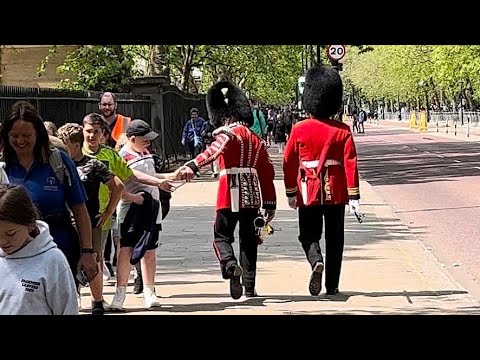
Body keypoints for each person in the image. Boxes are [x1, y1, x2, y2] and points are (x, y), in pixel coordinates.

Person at [181, 81, 276, 299]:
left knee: (221, 236)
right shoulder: (257, 140)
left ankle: (230, 264)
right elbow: (267, 173)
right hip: (252, 196)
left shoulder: (227, 133)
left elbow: (213, 151)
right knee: (249, 241)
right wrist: (269, 203)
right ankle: (249, 288)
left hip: (228, 191)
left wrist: (192, 166)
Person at [0, 101, 98, 286]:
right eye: (14, 135)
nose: (20, 141)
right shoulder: (2, 167)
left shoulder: (58, 162)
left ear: (38, 133)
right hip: (12, 255)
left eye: (26, 135)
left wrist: (87, 252)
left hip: (59, 249)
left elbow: (79, 209)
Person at [283, 65, 360, 297]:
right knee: (335, 239)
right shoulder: (343, 130)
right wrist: (354, 195)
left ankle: (316, 260)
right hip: (335, 190)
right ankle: (332, 286)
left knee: (308, 234)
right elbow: (351, 163)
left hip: (308, 188)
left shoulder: (299, 129)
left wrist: (290, 191)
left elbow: (288, 162)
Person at [57, 123, 124, 315]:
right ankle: (73, 298)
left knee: (93, 260)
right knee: (67, 261)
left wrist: (108, 212)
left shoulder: (92, 164)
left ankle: (97, 301)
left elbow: (117, 185)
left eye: (64, 144)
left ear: (76, 145)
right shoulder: (58, 165)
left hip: (90, 220)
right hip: (65, 220)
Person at [109, 120, 166, 311]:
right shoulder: (122, 156)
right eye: (145, 139)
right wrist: (133, 197)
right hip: (131, 211)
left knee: (149, 251)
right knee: (126, 252)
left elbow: (153, 177)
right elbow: (118, 185)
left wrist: (168, 178)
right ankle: (120, 294)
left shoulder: (146, 152)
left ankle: (150, 292)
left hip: (151, 209)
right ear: (132, 139)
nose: (148, 143)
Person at [0, 184, 78, 315]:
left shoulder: (52, 260)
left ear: (30, 224)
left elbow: (67, 309)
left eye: (11, 234)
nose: (2, 242)